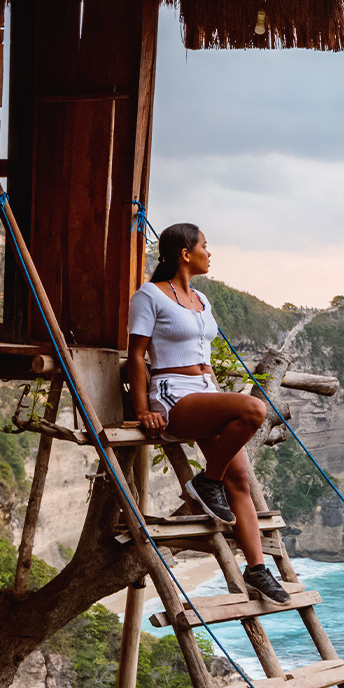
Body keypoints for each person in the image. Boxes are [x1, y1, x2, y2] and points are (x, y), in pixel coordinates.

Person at [125, 223, 289, 604]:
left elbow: (202, 353)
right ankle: (206, 482)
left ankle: (256, 570)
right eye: (204, 246)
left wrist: (213, 389)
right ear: (185, 253)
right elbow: (135, 354)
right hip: (173, 395)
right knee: (254, 408)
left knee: (241, 481)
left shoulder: (201, 299)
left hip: (205, 391)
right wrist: (143, 409)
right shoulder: (149, 296)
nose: (209, 253)